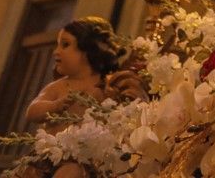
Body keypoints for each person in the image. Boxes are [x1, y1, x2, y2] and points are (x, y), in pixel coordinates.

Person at [20, 17, 144, 178]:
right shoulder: (59, 87)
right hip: (47, 158)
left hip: (83, 161)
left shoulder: (107, 88)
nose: (56, 51)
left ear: (88, 50)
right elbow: (32, 112)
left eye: (65, 44)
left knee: (70, 172)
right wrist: (56, 106)